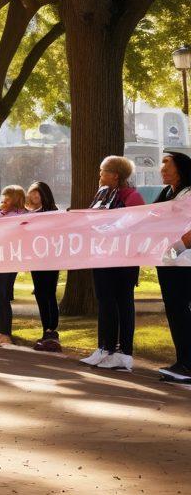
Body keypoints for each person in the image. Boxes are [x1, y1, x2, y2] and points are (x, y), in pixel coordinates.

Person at [80, 155, 145, 372]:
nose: (99, 176)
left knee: (123, 303)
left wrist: (106, 229)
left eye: (102, 172)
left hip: (124, 260)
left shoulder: (132, 197)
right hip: (102, 256)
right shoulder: (102, 196)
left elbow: (134, 226)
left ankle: (124, 353)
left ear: (115, 175)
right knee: (105, 301)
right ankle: (104, 348)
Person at [156, 150, 191, 383]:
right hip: (167, 261)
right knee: (173, 310)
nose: (162, 167)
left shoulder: (188, 194)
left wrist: (175, 248)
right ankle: (182, 361)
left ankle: (188, 364)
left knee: (182, 310)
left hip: (184, 262)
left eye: (167, 163)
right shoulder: (167, 193)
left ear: (180, 168)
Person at [0, 185, 27, 346]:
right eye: (2, 196)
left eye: (7, 198)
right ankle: (1, 331)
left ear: (15, 200)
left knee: (1, 297)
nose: (3, 200)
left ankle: (6, 333)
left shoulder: (20, 216)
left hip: (7, 261)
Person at [26, 182, 63, 352]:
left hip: (51, 259)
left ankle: (52, 329)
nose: (34, 198)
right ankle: (45, 329)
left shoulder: (53, 212)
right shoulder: (29, 214)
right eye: (32, 194)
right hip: (36, 259)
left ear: (44, 195)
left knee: (49, 292)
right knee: (40, 293)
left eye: (37, 194)